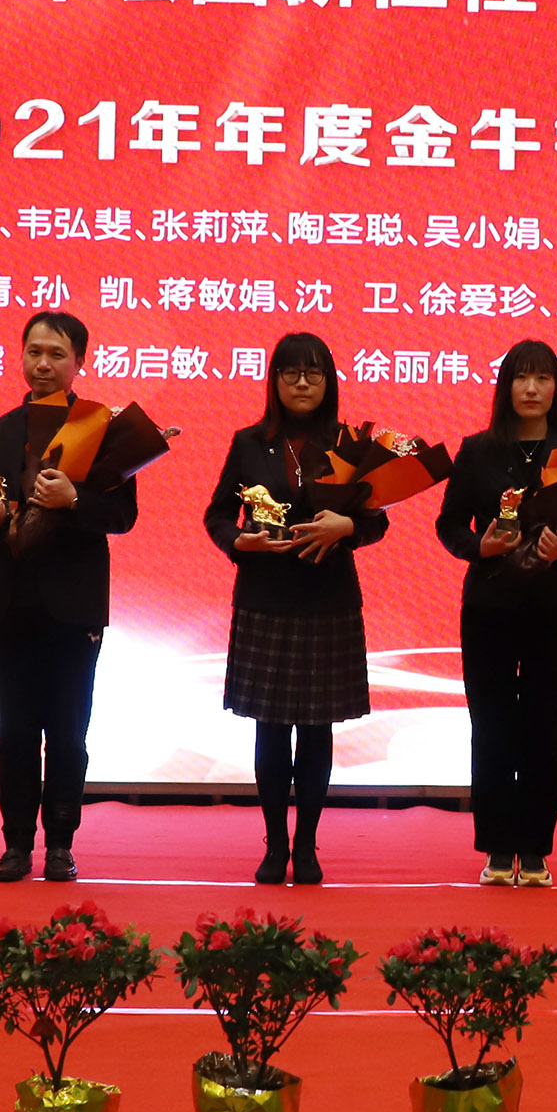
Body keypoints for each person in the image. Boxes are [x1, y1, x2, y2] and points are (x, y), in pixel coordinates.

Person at [0, 310, 140, 884]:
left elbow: (123, 516)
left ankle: (61, 845)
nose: (43, 364)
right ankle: (16, 845)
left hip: (73, 606)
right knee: (14, 733)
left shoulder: (103, 430)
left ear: (79, 362)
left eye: (56, 354)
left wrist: (75, 500)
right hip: (6, 604)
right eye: (34, 352)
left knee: (67, 733)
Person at [203, 333, 387, 885]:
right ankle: (275, 843)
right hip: (266, 599)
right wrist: (240, 542)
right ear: (275, 381)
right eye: (290, 373)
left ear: (329, 381)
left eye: (313, 373)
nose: (302, 383)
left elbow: (377, 520)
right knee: (270, 729)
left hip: (328, 601)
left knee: (317, 731)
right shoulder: (249, 443)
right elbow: (217, 516)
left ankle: (306, 844)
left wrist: (347, 525)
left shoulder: (350, 444)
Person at [436, 340, 557, 887]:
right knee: (491, 726)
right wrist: (479, 547)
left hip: (554, 608)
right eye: (521, 378)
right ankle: (496, 846)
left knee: (544, 724)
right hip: (488, 606)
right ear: (505, 386)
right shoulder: (478, 450)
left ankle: (534, 849)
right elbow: (448, 524)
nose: (532, 389)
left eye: (543, 378)